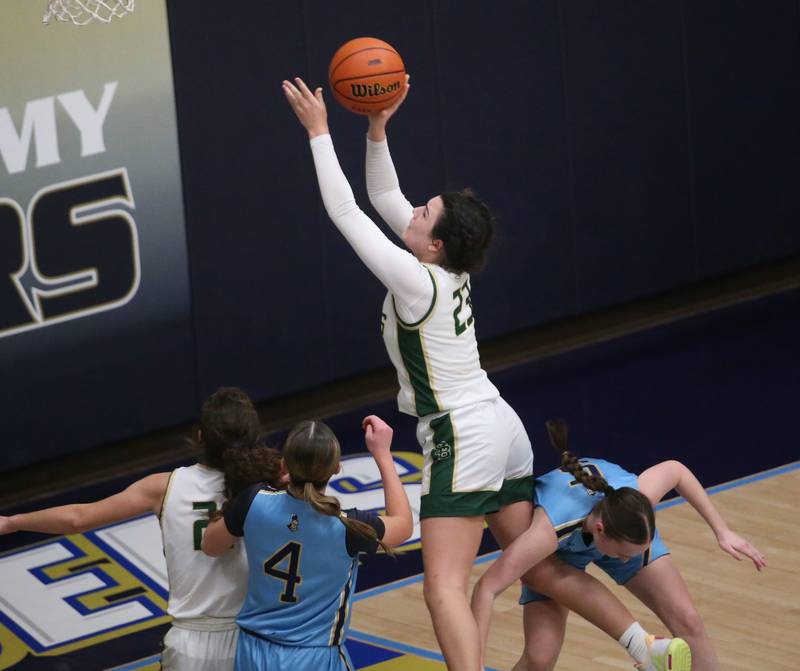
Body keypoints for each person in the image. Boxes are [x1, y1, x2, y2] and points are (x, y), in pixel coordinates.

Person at [282, 74, 536, 671]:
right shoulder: (444, 269)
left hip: (463, 434)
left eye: (426, 212)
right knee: (535, 568)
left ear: (435, 244)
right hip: (502, 424)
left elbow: (347, 209)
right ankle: (635, 640)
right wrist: (376, 130)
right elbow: (384, 192)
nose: (415, 208)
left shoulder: (414, 278)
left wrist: (320, 133)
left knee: (442, 586)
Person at [0, 386, 283, 671]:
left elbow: (78, 518)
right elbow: (325, 463)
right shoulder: (273, 480)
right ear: (254, 437)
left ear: (200, 437)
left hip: (191, 648)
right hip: (252, 641)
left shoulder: (162, 487)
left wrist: (13, 522)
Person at [471, 419, 766, 671]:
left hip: (620, 531)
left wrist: (722, 531)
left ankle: (645, 646)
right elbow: (486, 589)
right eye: (624, 556)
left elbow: (676, 470)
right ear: (600, 532)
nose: (627, 563)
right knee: (539, 658)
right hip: (561, 554)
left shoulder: (635, 499)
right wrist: (472, 662)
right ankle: (642, 646)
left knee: (688, 620)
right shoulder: (548, 531)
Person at [202, 415, 413, 671]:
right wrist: (382, 454)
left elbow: (210, 545)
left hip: (253, 653)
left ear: (283, 466)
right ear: (336, 469)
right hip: (313, 658)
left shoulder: (253, 501)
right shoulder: (348, 527)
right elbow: (403, 524)